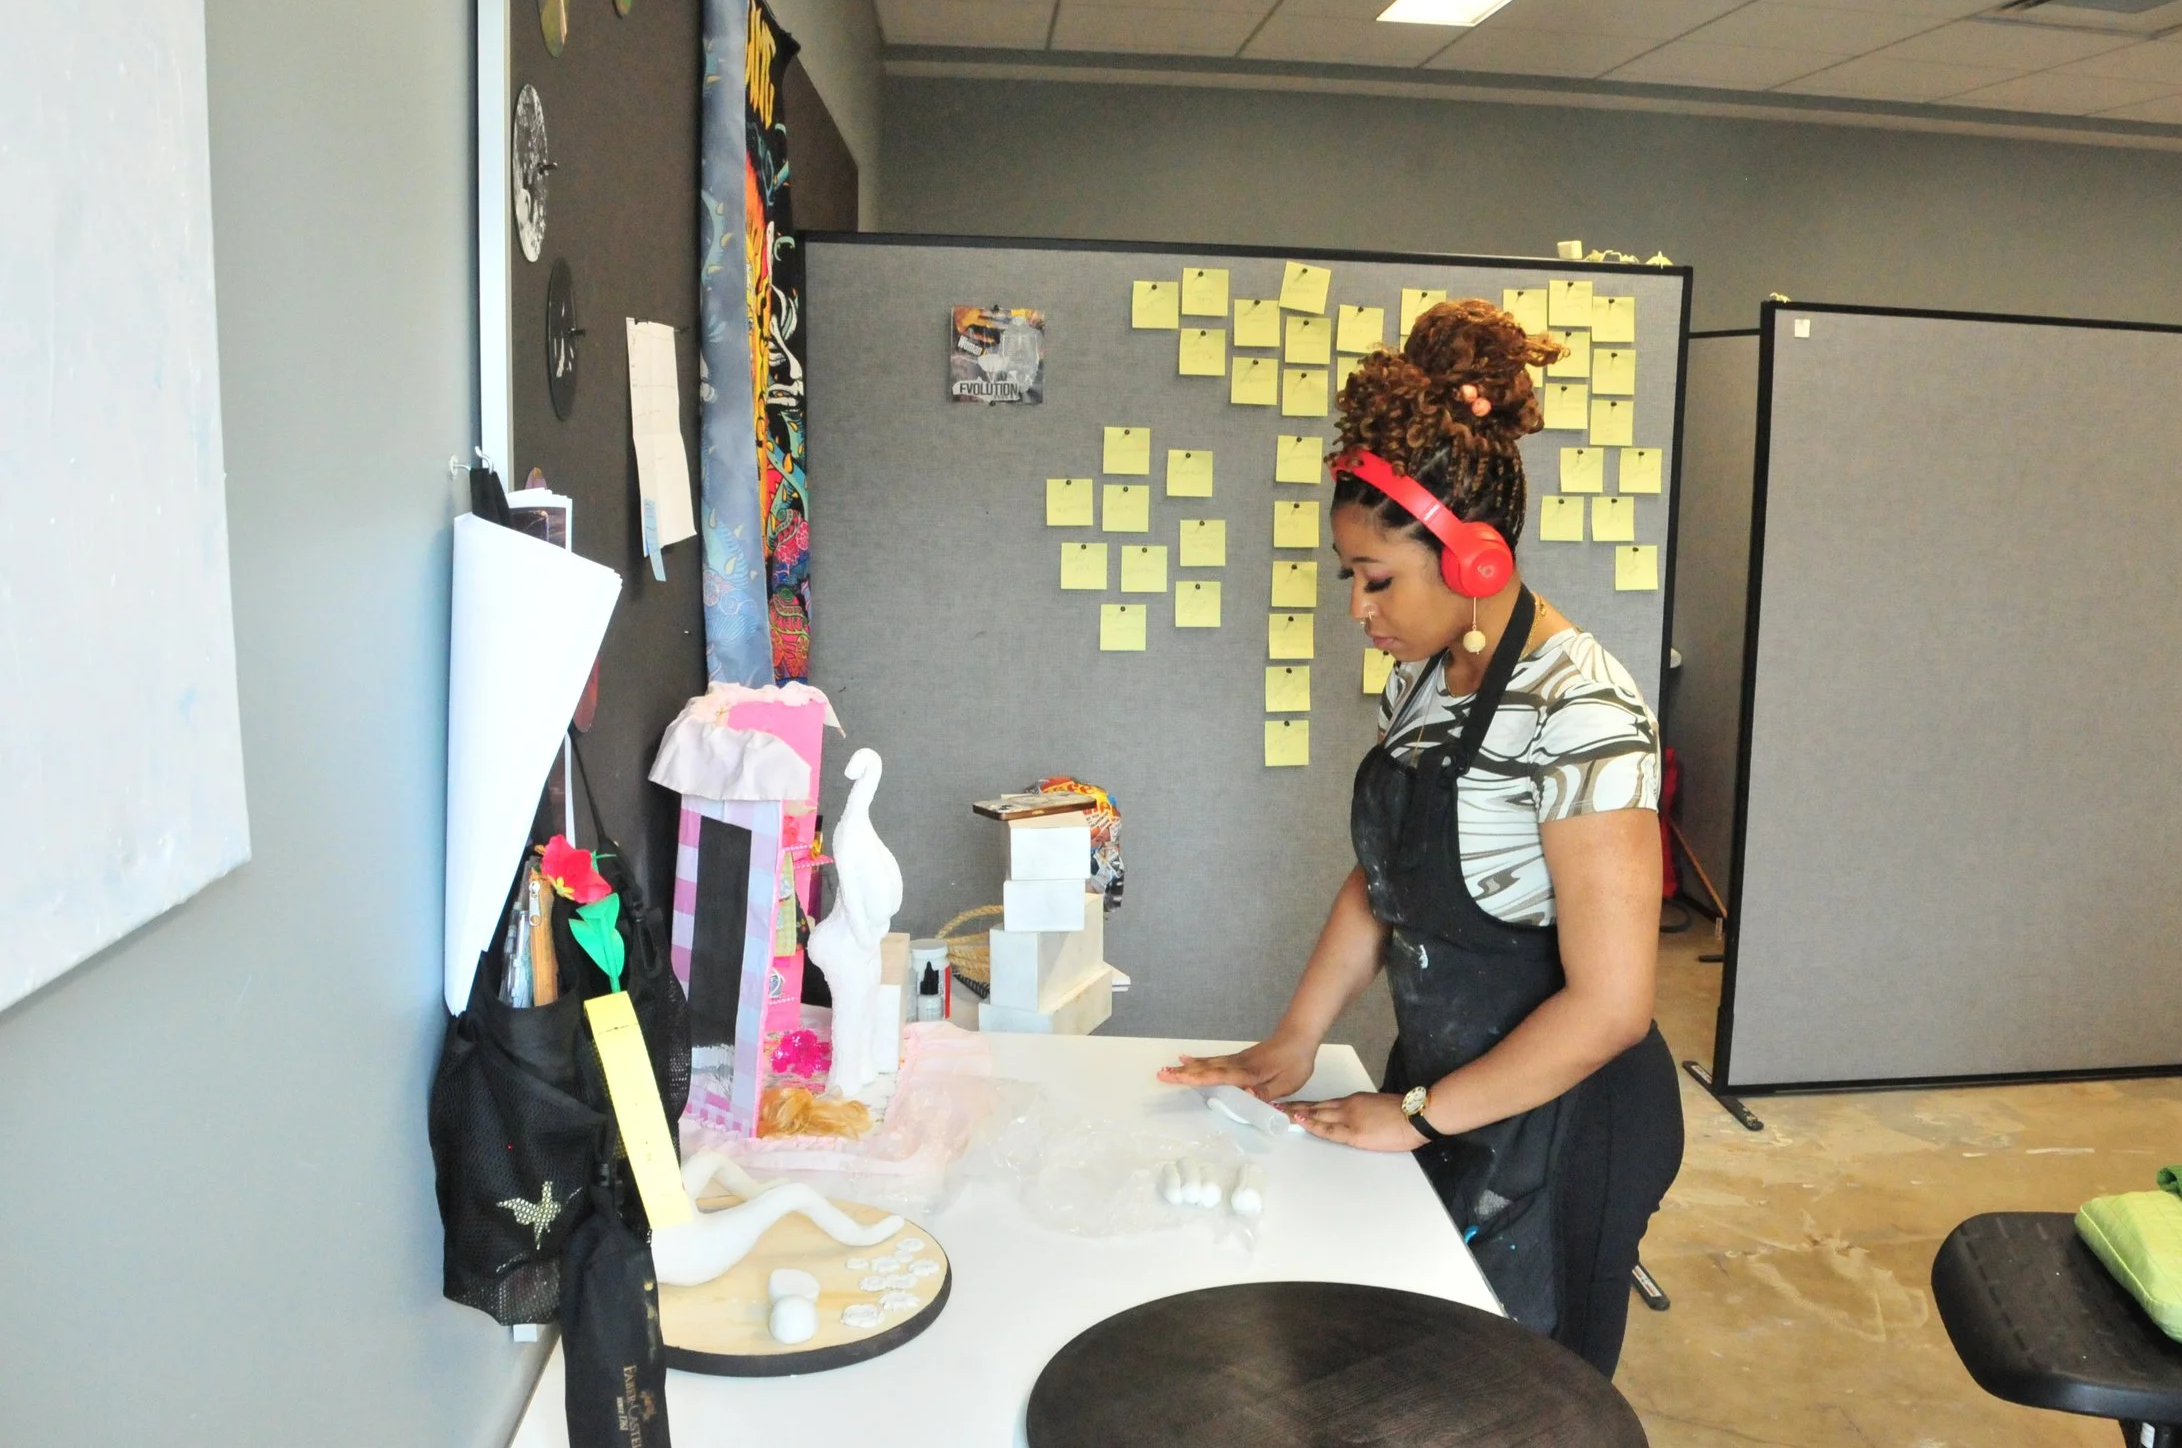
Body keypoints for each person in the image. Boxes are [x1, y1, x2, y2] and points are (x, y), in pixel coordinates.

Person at [1160, 298, 1683, 1377]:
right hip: (1447, 1082)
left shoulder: (1583, 712)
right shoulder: (1429, 677)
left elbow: (1611, 1006)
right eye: (1349, 575)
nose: (1357, 606)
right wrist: (1298, 1034)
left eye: (1375, 576)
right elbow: (1386, 877)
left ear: (1477, 560)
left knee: (1530, 1393)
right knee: (1420, 1363)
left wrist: (1418, 1114)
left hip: (1564, 1117)